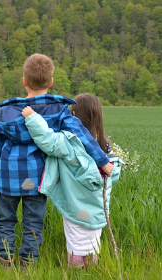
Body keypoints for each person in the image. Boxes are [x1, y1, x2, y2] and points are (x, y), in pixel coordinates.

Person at [0, 54, 113, 268]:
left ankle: (5, 259)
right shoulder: (58, 111)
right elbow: (82, 136)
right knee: (33, 222)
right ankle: (29, 262)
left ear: (24, 81)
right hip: (38, 178)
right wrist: (103, 161)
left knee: (5, 220)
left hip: (8, 177)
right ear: (51, 82)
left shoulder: (7, 113)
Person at [22, 93, 122, 269]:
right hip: (98, 208)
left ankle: (75, 271)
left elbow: (48, 140)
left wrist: (32, 118)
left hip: (75, 206)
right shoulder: (105, 146)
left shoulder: (71, 142)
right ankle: (91, 270)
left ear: (73, 116)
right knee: (92, 243)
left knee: (76, 241)